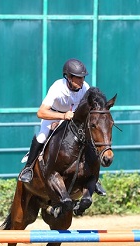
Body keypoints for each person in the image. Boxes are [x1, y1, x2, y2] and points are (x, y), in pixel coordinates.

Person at [18, 58, 106, 195]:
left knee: (88, 140)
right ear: (69, 77)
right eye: (78, 78)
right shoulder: (57, 87)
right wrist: (63, 116)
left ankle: (94, 178)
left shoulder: (85, 88)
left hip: (75, 120)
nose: (82, 81)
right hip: (54, 116)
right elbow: (41, 112)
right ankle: (28, 168)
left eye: (83, 78)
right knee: (41, 137)